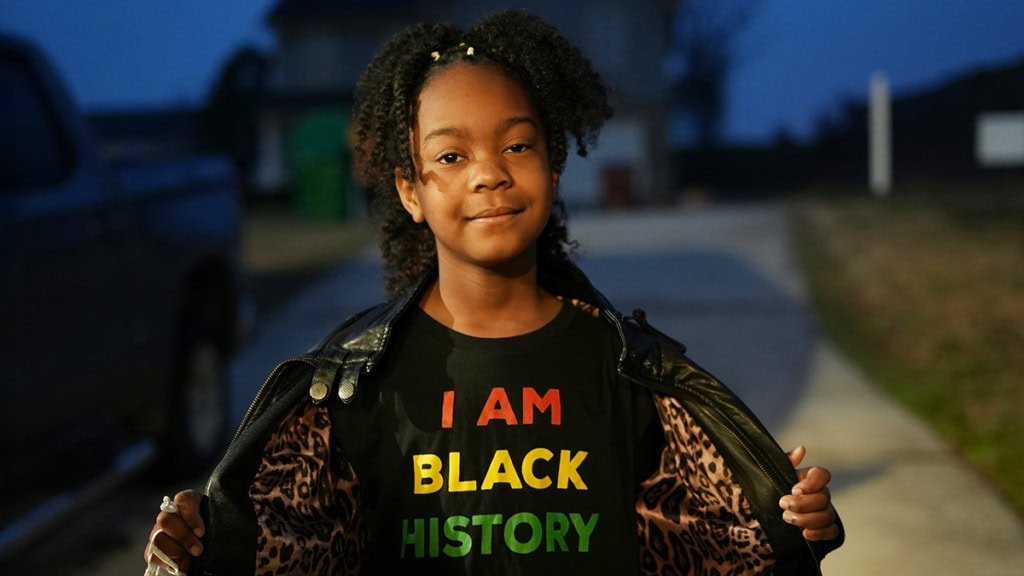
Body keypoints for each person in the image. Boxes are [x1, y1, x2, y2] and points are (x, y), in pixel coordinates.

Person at [145, 10, 843, 575]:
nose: (490, 175)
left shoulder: (633, 370)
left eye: (517, 146)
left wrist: (796, 527)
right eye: (452, 157)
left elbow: (713, 543)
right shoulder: (355, 387)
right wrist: (199, 548)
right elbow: (286, 541)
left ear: (554, 167)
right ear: (410, 191)